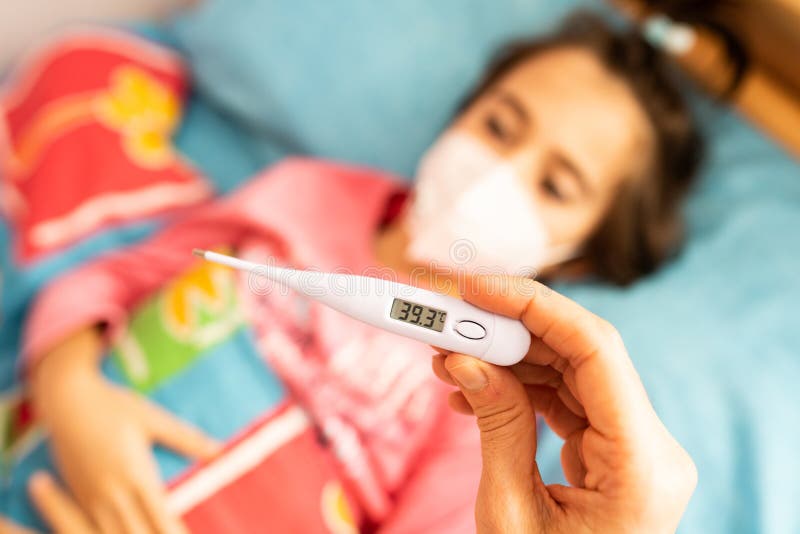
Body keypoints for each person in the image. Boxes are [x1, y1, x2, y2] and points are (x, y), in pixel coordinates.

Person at [14, 12, 703, 534]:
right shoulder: (308, 196)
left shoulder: (491, 407)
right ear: (462, 115)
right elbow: (112, 278)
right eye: (499, 126)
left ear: (578, 256)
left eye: (556, 186)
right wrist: (70, 389)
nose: (498, 175)